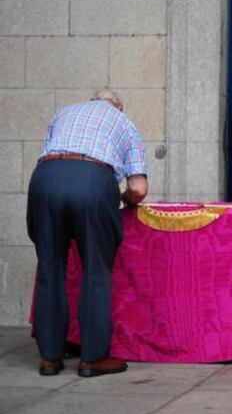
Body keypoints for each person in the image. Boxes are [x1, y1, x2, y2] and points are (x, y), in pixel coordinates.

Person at [27, 88, 148, 377]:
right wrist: (124, 200)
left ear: (92, 101)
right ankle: (92, 358)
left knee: (49, 268)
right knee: (95, 270)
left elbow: (52, 153)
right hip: (92, 181)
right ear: (118, 106)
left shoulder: (63, 112)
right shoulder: (124, 123)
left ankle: (50, 359)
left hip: (45, 180)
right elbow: (138, 188)